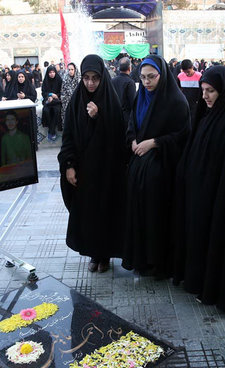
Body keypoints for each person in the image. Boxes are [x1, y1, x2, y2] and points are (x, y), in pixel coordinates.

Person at [172, 65, 225, 311]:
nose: (206, 96)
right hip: (201, 193)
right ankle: (199, 282)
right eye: (203, 90)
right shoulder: (208, 114)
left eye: (211, 91)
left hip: (220, 196)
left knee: (216, 242)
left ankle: (215, 290)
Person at [58, 54, 129, 273]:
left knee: (105, 212)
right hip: (84, 170)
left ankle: (105, 254)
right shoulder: (76, 101)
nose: (90, 83)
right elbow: (68, 135)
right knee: (88, 213)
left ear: (102, 78)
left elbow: (119, 134)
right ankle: (93, 253)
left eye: (95, 78)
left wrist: (100, 117)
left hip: (107, 170)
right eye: (86, 78)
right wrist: (69, 165)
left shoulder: (110, 100)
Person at [122, 55, 191, 278]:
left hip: (161, 171)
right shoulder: (141, 96)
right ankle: (141, 259)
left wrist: (155, 142)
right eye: (142, 78)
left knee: (156, 217)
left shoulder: (175, 101)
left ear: (162, 75)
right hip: (139, 167)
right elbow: (132, 123)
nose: (147, 82)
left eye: (151, 77)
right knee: (139, 215)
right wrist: (133, 139)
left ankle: (158, 262)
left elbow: (183, 135)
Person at [111, 57, 136, 128]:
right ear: (129, 68)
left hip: (114, 117)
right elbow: (132, 103)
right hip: (126, 119)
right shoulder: (130, 82)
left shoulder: (112, 81)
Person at [41, 65, 62, 141]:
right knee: (46, 111)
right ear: (47, 73)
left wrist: (56, 96)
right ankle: (52, 131)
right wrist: (49, 95)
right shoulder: (45, 81)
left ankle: (51, 131)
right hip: (48, 101)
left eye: (53, 72)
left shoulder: (59, 80)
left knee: (56, 111)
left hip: (57, 101)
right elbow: (43, 92)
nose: (52, 74)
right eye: (50, 72)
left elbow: (62, 92)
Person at [61, 63, 80, 127]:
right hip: (67, 102)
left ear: (75, 70)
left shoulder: (79, 79)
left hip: (78, 102)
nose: (70, 71)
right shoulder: (65, 79)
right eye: (69, 69)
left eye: (72, 69)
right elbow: (63, 92)